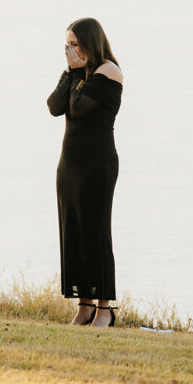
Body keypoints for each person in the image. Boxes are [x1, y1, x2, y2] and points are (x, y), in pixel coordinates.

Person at [47, 18, 123, 330]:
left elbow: (78, 108)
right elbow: (54, 106)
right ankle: (84, 306)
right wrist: (71, 70)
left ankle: (104, 308)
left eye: (75, 44)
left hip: (97, 164)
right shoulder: (77, 72)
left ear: (91, 43)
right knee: (74, 232)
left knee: (95, 232)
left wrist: (76, 71)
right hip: (70, 163)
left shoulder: (108, 71)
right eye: (66, 44)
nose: (69, 50)